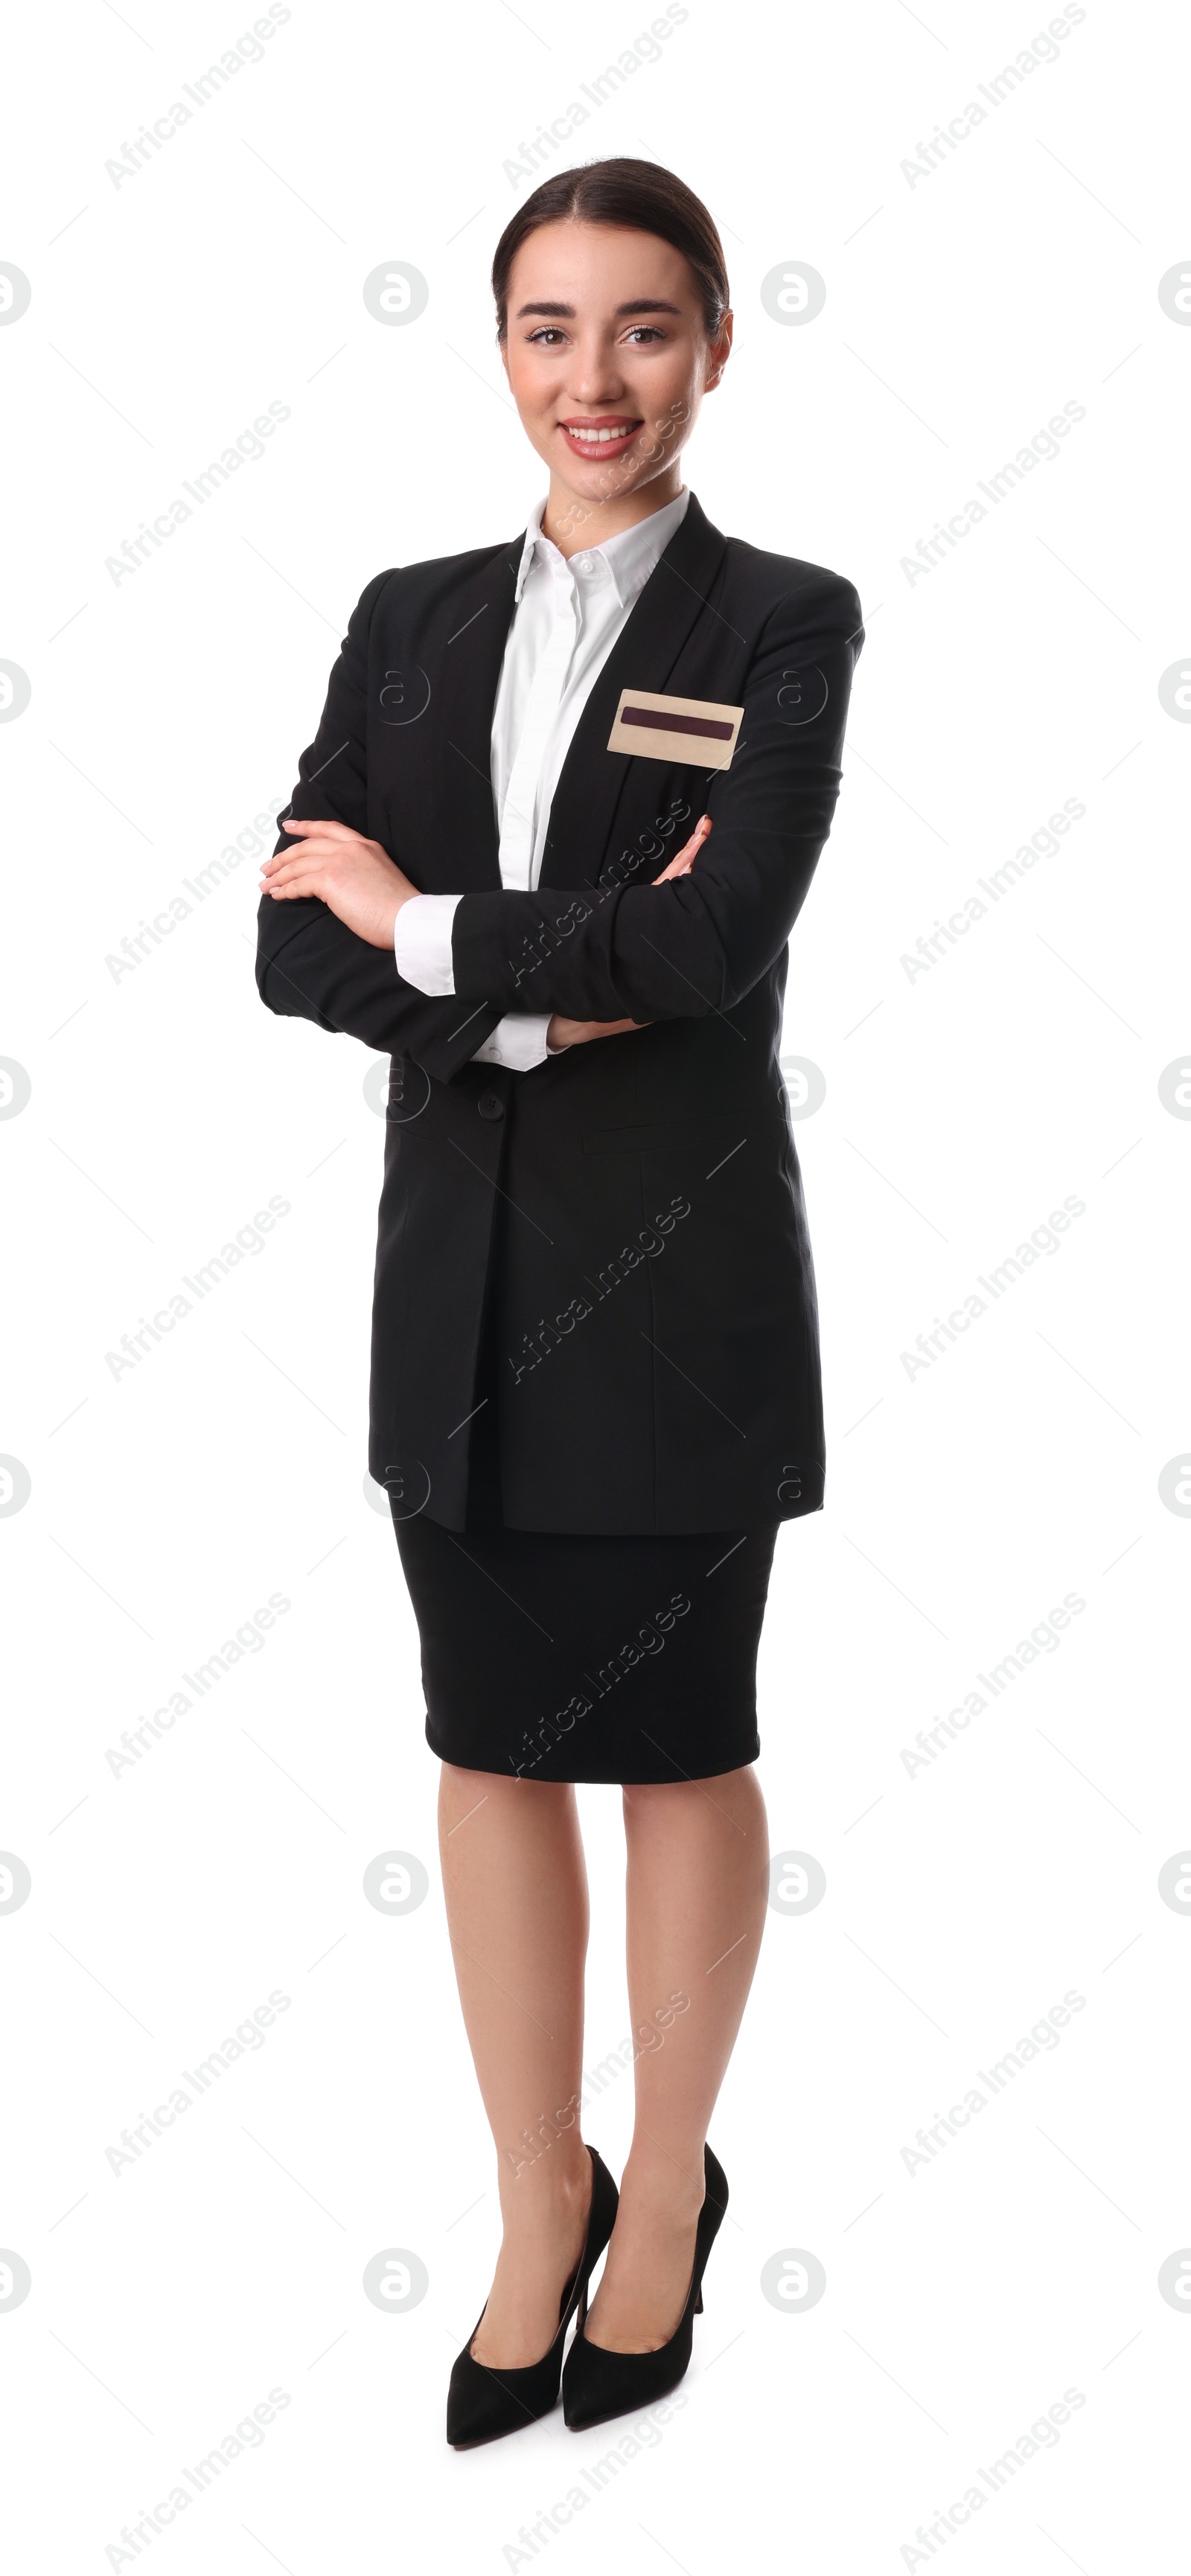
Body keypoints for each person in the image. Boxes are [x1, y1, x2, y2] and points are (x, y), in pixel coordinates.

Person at [256, 156, 863, 2444]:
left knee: (683, 1742)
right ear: (498, 345)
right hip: (458, 1293)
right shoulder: (407, 616)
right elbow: (285, 938)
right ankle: (542, 2199)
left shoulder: (783, 619)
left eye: (639, 327)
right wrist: (529, 969)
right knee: (487, 1746)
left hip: (684, 1289)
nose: (590, 378)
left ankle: (675, 2195)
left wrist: (428, 923)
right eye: (546, 326)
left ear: (714, 343)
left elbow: (712, 950)